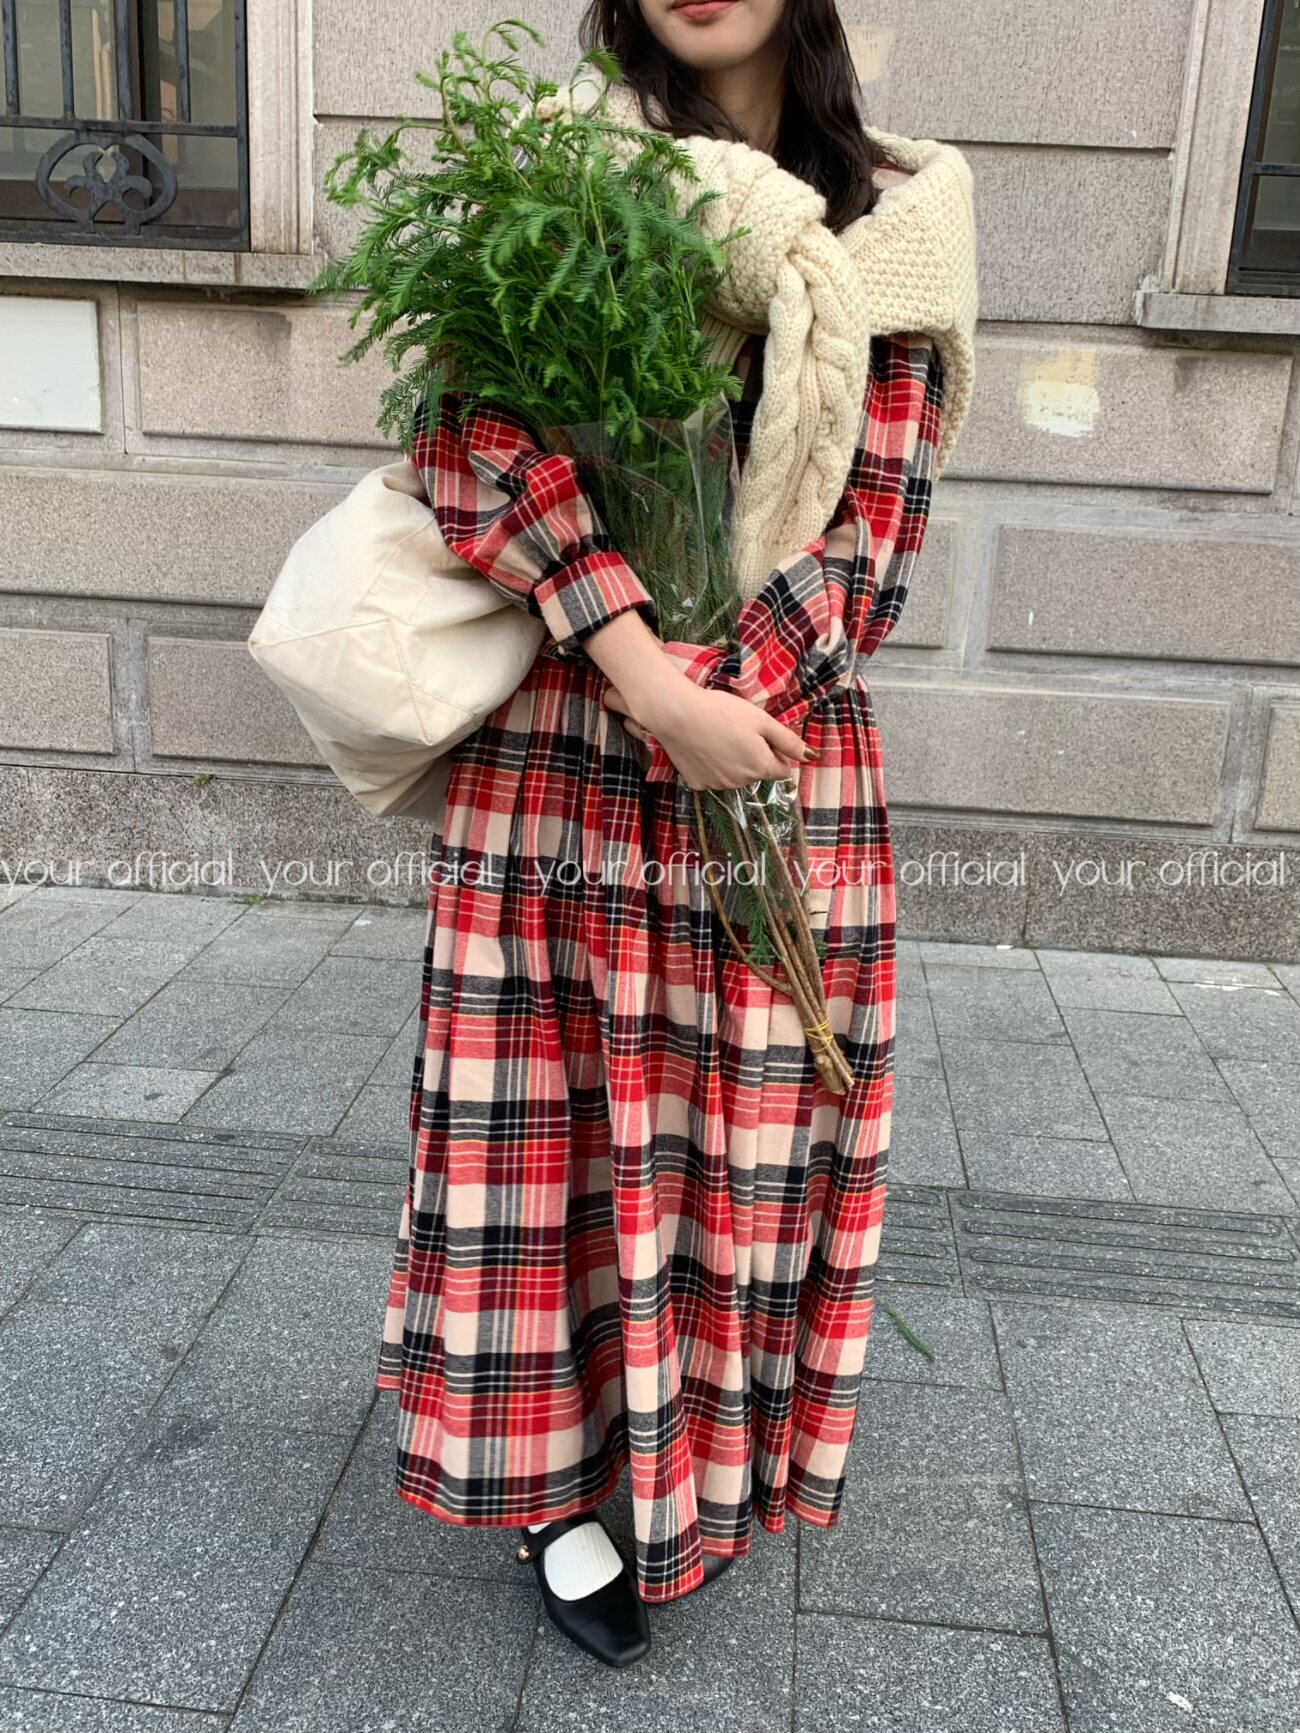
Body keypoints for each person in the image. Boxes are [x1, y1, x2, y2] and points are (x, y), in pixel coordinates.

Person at [376, 0, 977, 1669]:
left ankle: (689, 1463)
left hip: (781, 757)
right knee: (546, 1134)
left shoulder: (906, 218)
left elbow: (880, 520)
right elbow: (470, 443)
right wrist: (652, 677)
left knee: (742, 1142)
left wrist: (736, 703)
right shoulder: (562, 176)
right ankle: (552, 1488)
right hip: (574, 739)